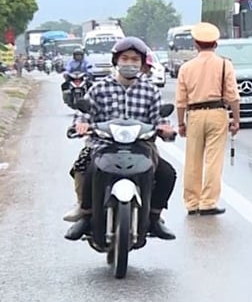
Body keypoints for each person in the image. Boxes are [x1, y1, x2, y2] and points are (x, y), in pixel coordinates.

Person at [64, 37, 178, 241]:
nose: (130, 63)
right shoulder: (100, 88)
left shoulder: (150, 90)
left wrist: (165, 129)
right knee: (87, 170)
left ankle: (154, 217)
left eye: (135, 59)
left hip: (142, 147)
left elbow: (160, 118)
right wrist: (80, 125)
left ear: (142, 63)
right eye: (125, 58)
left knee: (167, 173)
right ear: (116, 60)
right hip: (103, 145)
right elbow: (84, 113)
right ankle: (86, 215)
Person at [175, 22, 240, 216]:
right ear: (216, 43)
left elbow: (180, 101)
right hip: (217, 112)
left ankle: (191, 202)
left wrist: (181, 123)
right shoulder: (224, 64)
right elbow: (233, 96)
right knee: (213, 159)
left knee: (192, 159)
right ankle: (208, 201)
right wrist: (236, 120)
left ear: (196, 44)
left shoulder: (186, 68)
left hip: (194, 114)